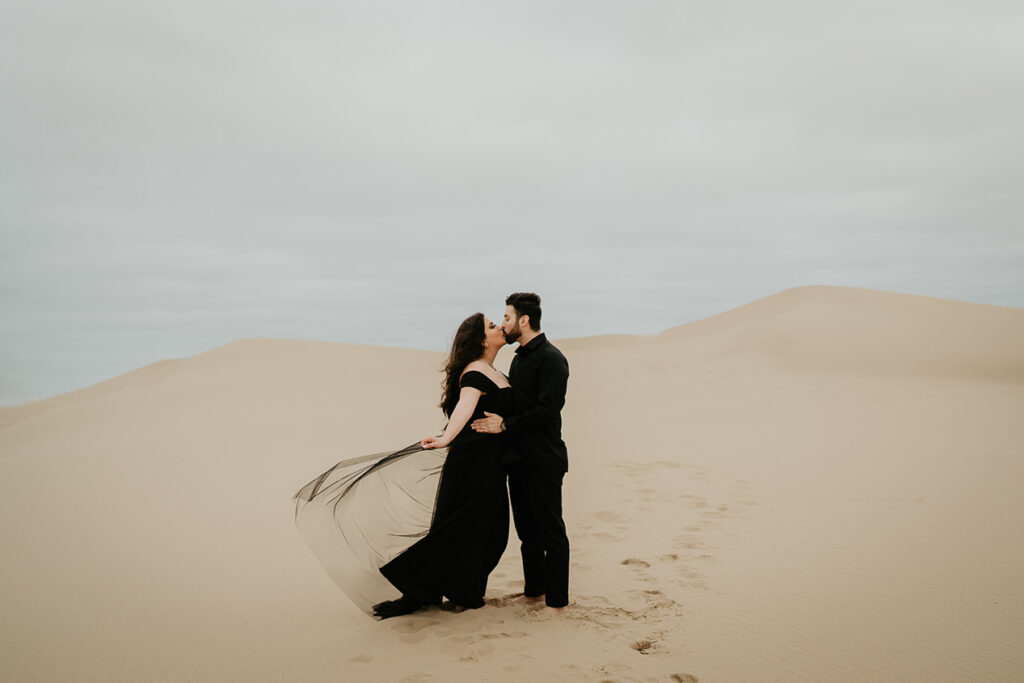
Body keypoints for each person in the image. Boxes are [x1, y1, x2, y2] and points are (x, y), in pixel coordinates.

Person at [292, 313, 513, 619]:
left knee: (484, 527)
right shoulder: (475, 370)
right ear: (481, 340)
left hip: (488, 462)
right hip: (474, 462)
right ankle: (464, 596)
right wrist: (447, 437)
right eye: (491, 326)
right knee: (476, 528)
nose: (500, 327)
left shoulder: (494, 370)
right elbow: (465, 404)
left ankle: (456, 590)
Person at [471, 292, 571, 615]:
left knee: (551, 531)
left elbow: (546, 411)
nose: (504, 324)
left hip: (544, 459)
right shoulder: (519, 358)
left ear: (524, 320)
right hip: (518, 460)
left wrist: (505, 426)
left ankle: (556, 603)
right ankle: (535, 592)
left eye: (507, 318)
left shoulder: (552, 359)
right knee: (528, 533)